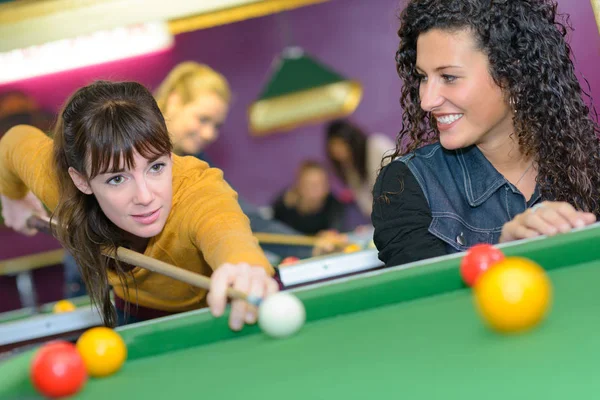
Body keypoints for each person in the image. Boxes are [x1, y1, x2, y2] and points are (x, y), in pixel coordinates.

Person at [0, 80, 279, 330]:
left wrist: (245, 265)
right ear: (82, 181)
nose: (145, 197)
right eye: (117, 178)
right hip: (136, 311)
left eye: (156, 166)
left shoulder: (196, 190)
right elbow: (14, 141)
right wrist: (11, 196)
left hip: (225, 307)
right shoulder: (61, 184)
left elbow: (225, 229)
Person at [372, 0, 600, 268]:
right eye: (423, 77)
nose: (427, 100)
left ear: (512, 73)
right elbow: (428, 304)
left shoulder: (587, 164)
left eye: (448, 77)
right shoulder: (404, 186)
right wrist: (502, 255)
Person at [325, 119, 394, 221]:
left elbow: (402, 178)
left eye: (340, 144)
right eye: (334, 148)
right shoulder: (350, 169)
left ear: (351, 139)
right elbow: (366, 205)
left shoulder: (376, 145)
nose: (338, 152)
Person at [271, 160, 345, 235]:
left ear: (327, 186)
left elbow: (336, 232)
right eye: (309, 184)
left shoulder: (334, 205)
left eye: (319, 184)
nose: (315, 189)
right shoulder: (284, 205)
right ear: (299, 185)